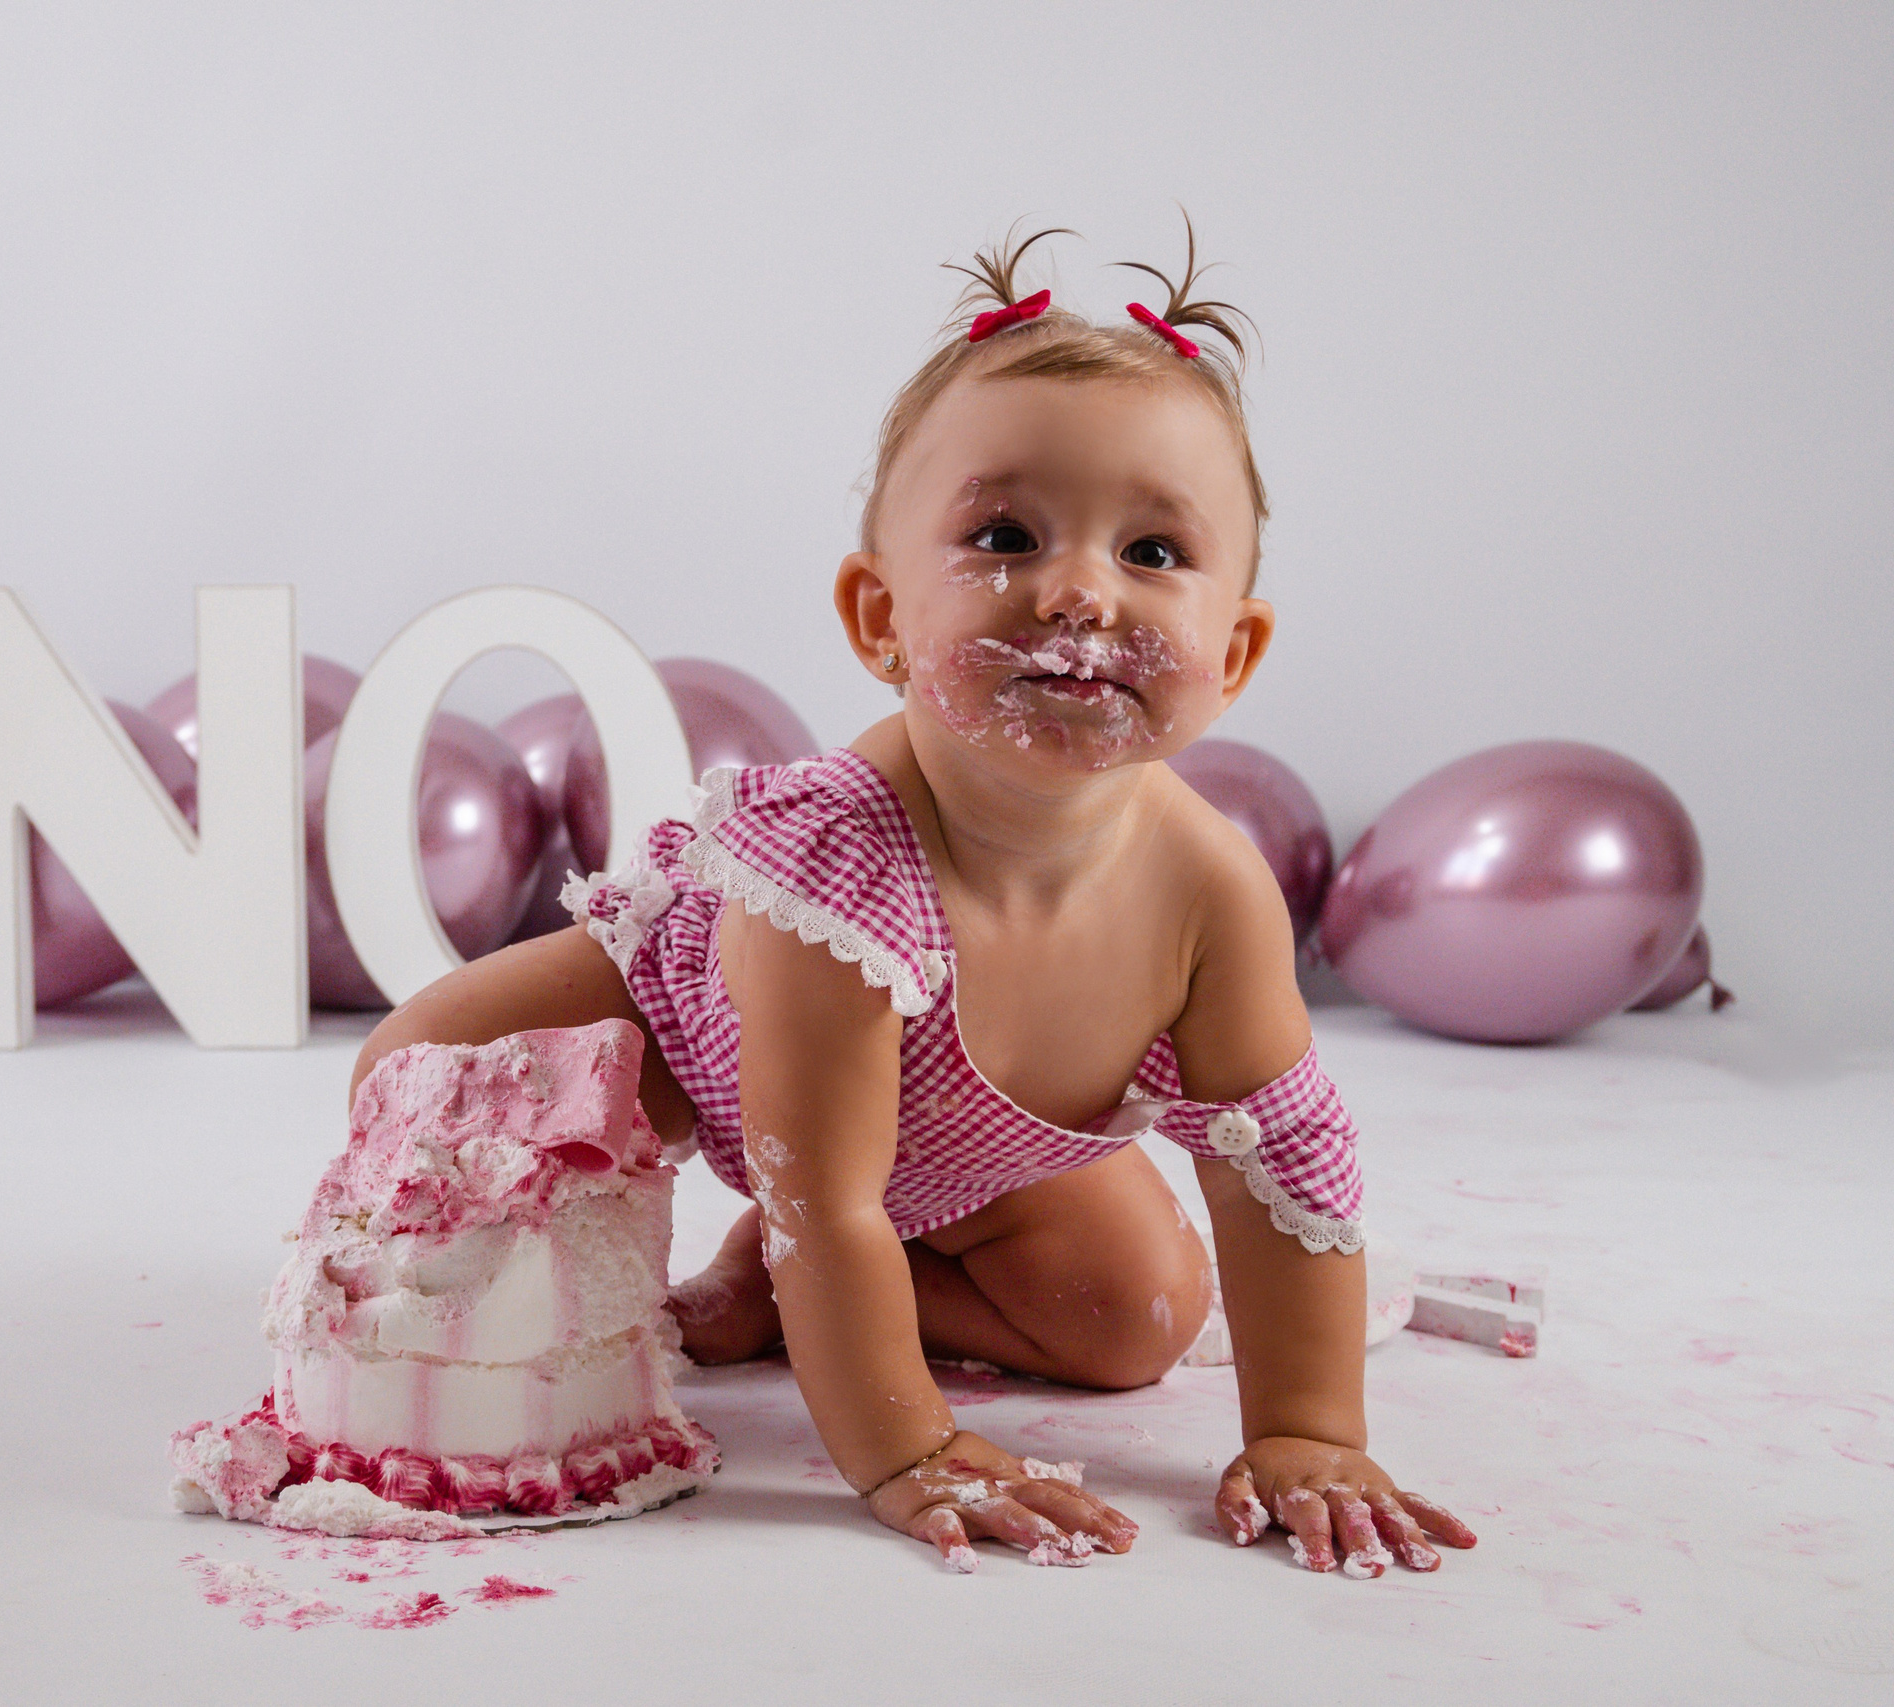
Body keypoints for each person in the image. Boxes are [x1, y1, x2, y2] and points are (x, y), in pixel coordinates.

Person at [351, 222, 1476, 1576]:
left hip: (961, 1160)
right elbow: (824, 1193)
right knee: (423, 1077)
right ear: (879, 617)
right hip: (711, 1054)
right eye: (1005, 536)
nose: (1076, 590)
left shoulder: (1210, 892)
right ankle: (766, 1277)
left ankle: (779, 1298)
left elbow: (1279, 1163)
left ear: (1233, 654)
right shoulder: (837, 870)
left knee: (1139, 1323)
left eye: (1155, 553)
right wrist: (905, 1449)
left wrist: (1310, 1427)